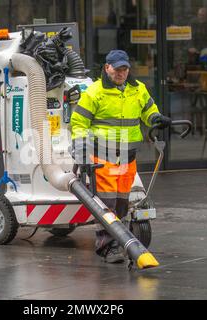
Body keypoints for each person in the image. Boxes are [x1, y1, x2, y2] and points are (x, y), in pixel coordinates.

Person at [70, 50, 171, 263]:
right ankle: (108, 248)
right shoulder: (94, 93)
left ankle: (121, 241)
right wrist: (80, 153)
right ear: (107, 68)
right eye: (117, 69)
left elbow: (148, 110)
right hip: (103, 155)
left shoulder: (138, 89)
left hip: (127, 155)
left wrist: (156, 118)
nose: (121, 73)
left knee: (122, 203)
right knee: (107, 205)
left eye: (124, 69)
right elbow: (78, 123)